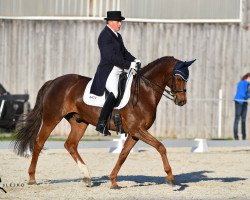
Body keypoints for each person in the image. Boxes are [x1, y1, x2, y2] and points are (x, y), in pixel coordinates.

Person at [90, 11, 140, 136]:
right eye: (118, 22)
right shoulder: (104, 36)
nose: (120, 24)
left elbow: (124, 53)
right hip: (108, 71)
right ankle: (101, 124)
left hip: (119, 71)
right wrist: (129, 65)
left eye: (120, 22)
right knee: (115, 92)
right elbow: (110, 57)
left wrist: (134, 60)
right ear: (111, 22)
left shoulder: (117, 36)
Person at [233, 73, 250, 140]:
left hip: (244, 102)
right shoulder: (243, 83)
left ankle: (244, 137)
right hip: (239, 102)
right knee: (237, 119)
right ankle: (236, 137)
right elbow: (243, 94)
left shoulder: (247, 84)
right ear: (248, 77)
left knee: (243, 120)